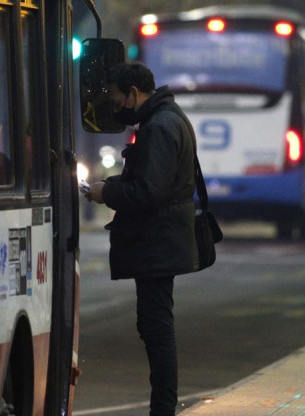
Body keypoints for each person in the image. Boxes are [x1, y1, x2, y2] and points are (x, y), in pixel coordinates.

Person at [86, 62, 197, 416]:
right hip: (159, 240)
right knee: (153, 324)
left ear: (135, 94)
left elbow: (149, 191)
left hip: (158, 241)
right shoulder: (164, 119)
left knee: (158, 328)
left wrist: (108, 193)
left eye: (119, 100)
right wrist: (114, 187)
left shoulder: (160, 126)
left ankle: (162, 409)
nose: (117, 108)